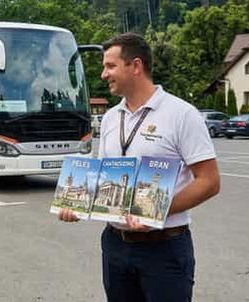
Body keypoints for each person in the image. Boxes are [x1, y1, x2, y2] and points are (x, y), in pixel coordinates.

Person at [57, 33, 221, 302]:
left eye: (110, 66)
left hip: (164, 248)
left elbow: (209, 181)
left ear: (135, 66)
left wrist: (156, 211)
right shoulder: (110, 118)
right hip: (115, 246)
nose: (103, 74)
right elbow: (103, 174)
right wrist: (77, 205)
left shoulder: (181, 114)